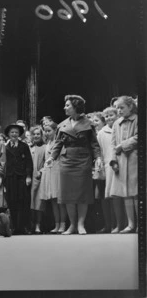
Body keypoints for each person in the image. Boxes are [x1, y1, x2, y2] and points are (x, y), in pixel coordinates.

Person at [46, 95, 102, 235]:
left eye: (67, 105)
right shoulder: (62, 125)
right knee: (68, 195)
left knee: (83, 194)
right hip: (67, 162)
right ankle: (72, 225)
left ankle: (81, 224)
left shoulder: (89, 124)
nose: (65, 107)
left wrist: (98, 158)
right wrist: (52, 157)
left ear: (76, 107)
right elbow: (58, 144)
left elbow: (94, 144)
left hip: (83, 160)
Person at [110, 96, 138, 233]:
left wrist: (123, 145)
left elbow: (139, 137)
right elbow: (113, 143)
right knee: (126, 193)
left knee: (137, 192)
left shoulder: (138, 119)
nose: (118, 110)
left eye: (121, 107)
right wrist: (113, 161)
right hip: (121, 161)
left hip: (135, 160)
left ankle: (140, 224)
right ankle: (131, 224)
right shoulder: (116, 123)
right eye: (117, 108)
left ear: (130, 107)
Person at [38, 122, 67, 234]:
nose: (46, 133)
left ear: (55, 131)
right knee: (53, 200)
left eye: (49, 130)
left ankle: (63, 224)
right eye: (45, 131)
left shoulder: (59, 142)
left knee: (60, 199)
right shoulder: (48, 143)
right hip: (48, 172)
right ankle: (57, 224)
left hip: (57, 171)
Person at [4, 124, 33, 235]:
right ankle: (14, 227)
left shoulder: (24, 146)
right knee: (12, 202)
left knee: (23, 202)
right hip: (10, 177)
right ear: (8, 134)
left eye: (16, 132)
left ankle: (23, 227)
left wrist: (28, 176)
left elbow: (28, 162)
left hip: (21, 177)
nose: (14, 134)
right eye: (12, 132)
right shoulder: (5, 147)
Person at [96, 107, 118, 233]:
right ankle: (108, 224)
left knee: (117, 196)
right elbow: (98, 150)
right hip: (105, 168)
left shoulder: (119, 129)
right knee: (106, 197)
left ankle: (118, 224)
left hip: (117, 166)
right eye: (107, 116)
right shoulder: (101, 133)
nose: (109, 118)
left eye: (111, 115)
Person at [29, 125, 46, 234]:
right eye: (34, 134)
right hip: (29, 177)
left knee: (39, 202)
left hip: (40, 177)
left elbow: (47, 161)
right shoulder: (29, 147)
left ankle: (38, 225)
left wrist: (41, 171)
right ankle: (30, 225)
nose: (36, 136)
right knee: (30, 202)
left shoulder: (45, 147)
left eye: (38, 134)